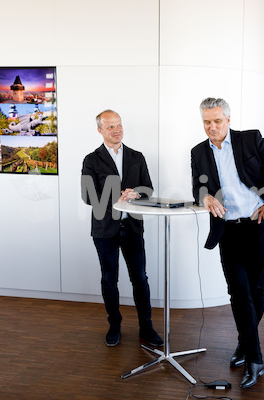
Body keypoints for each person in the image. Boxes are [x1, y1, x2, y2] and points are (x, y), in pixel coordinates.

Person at [191, 98, 264, 389]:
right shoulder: (198, 151)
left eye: (217, 121)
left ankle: (244, 345)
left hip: (258, 225)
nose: (212, 127)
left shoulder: (250, 140)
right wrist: (205, 196)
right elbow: (197, 185)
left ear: (228, 119)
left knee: (257, 289)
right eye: (207, 122)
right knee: (238, 292)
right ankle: (254, 358)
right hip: (228, 231)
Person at [81, 109, 163, 348]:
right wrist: (117, 197)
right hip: (104, 229)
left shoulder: (136, 156)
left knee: (140, 277)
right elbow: (87, 195)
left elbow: (148, 188)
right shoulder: (91, 160)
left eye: (119, 125)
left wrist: (136, 193)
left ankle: (146, 327)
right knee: (109, 279)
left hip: (133, 226)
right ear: (100, 131)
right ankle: (114, 325)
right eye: (110, 127)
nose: (116, 130)